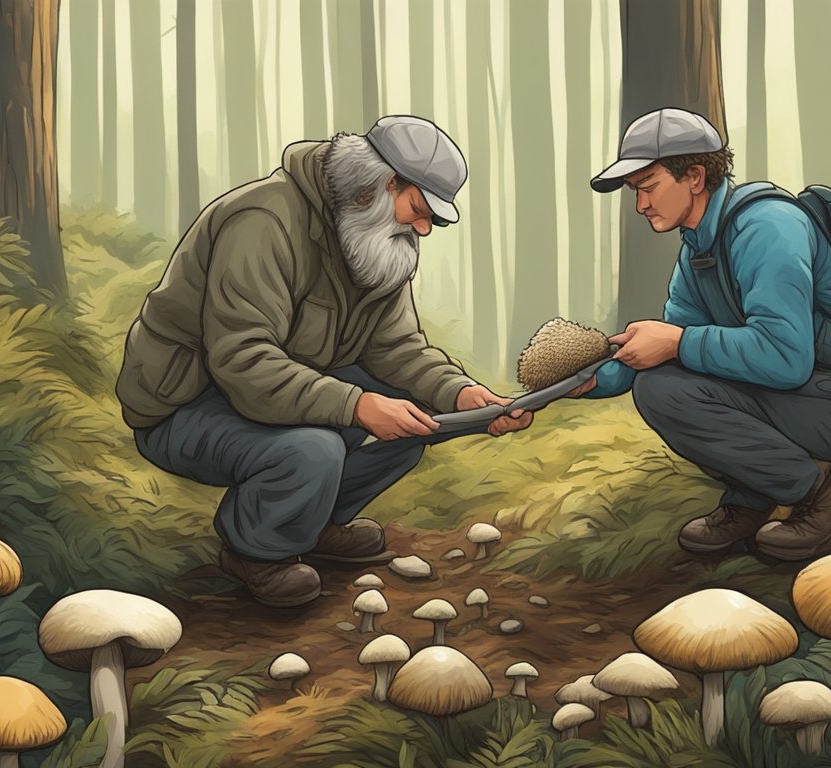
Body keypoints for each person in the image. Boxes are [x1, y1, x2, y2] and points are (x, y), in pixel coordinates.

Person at [116, 116, 532, 607]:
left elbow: (398, 349)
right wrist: (358, 406)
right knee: (313, 450)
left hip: (284, 387)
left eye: (432, 220)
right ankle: (255, 550)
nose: (423, 228)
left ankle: (316, 526)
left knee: (419, 419)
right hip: (186, 403)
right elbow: (243, 361)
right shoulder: (263, 221)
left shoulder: (380, 239)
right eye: (419, 209)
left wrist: (463, 394)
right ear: (381, 183)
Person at [572, 107, 831, 561]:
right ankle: (752, 497)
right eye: (635, 192)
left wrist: (677, 343)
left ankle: (823, 486)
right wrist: (592, 381)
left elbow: (786, 359)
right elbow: (676, 338)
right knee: (663, 382)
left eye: (648, 187)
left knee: (665, 391)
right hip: (802, 395)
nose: (641, 205)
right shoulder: (699, 248)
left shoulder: (767, 227)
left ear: (693, 176)